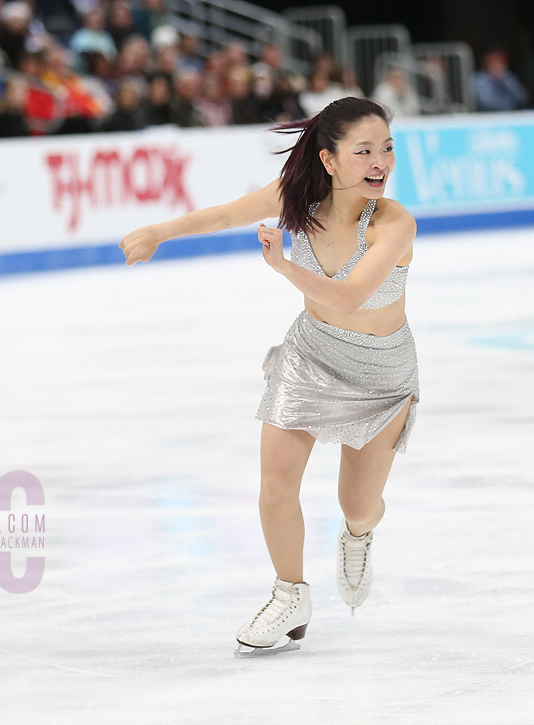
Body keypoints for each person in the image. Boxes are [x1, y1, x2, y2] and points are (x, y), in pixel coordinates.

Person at [119, 97, 418, 653]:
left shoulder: (395, 222)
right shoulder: (295, 199)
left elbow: (353, 298)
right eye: (364, 151)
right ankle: (289, 595)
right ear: (329, 160)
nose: (380, 162)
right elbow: (223, 214)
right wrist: (160, 230)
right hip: (311, 356)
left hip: (380, 374)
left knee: (357, 504)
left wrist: (285, 266)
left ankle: (358, 536)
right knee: (276, 482)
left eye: (387, 149)